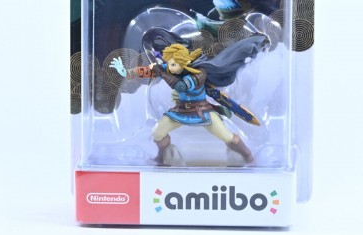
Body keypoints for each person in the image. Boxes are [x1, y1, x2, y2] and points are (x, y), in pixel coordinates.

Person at [110, 35, 267, 165]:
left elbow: (180, 86)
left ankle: (247, 155)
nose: (169, 67)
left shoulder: (198, 74)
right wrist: (125, 72)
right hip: (179, 112)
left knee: (226, 136)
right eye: (168, 64)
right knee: (157, 133)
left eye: (173, 64)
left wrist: (162, 72)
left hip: (202, 113)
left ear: (182, 62)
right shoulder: (171, 67)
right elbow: (147, 71)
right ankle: (162, 154)